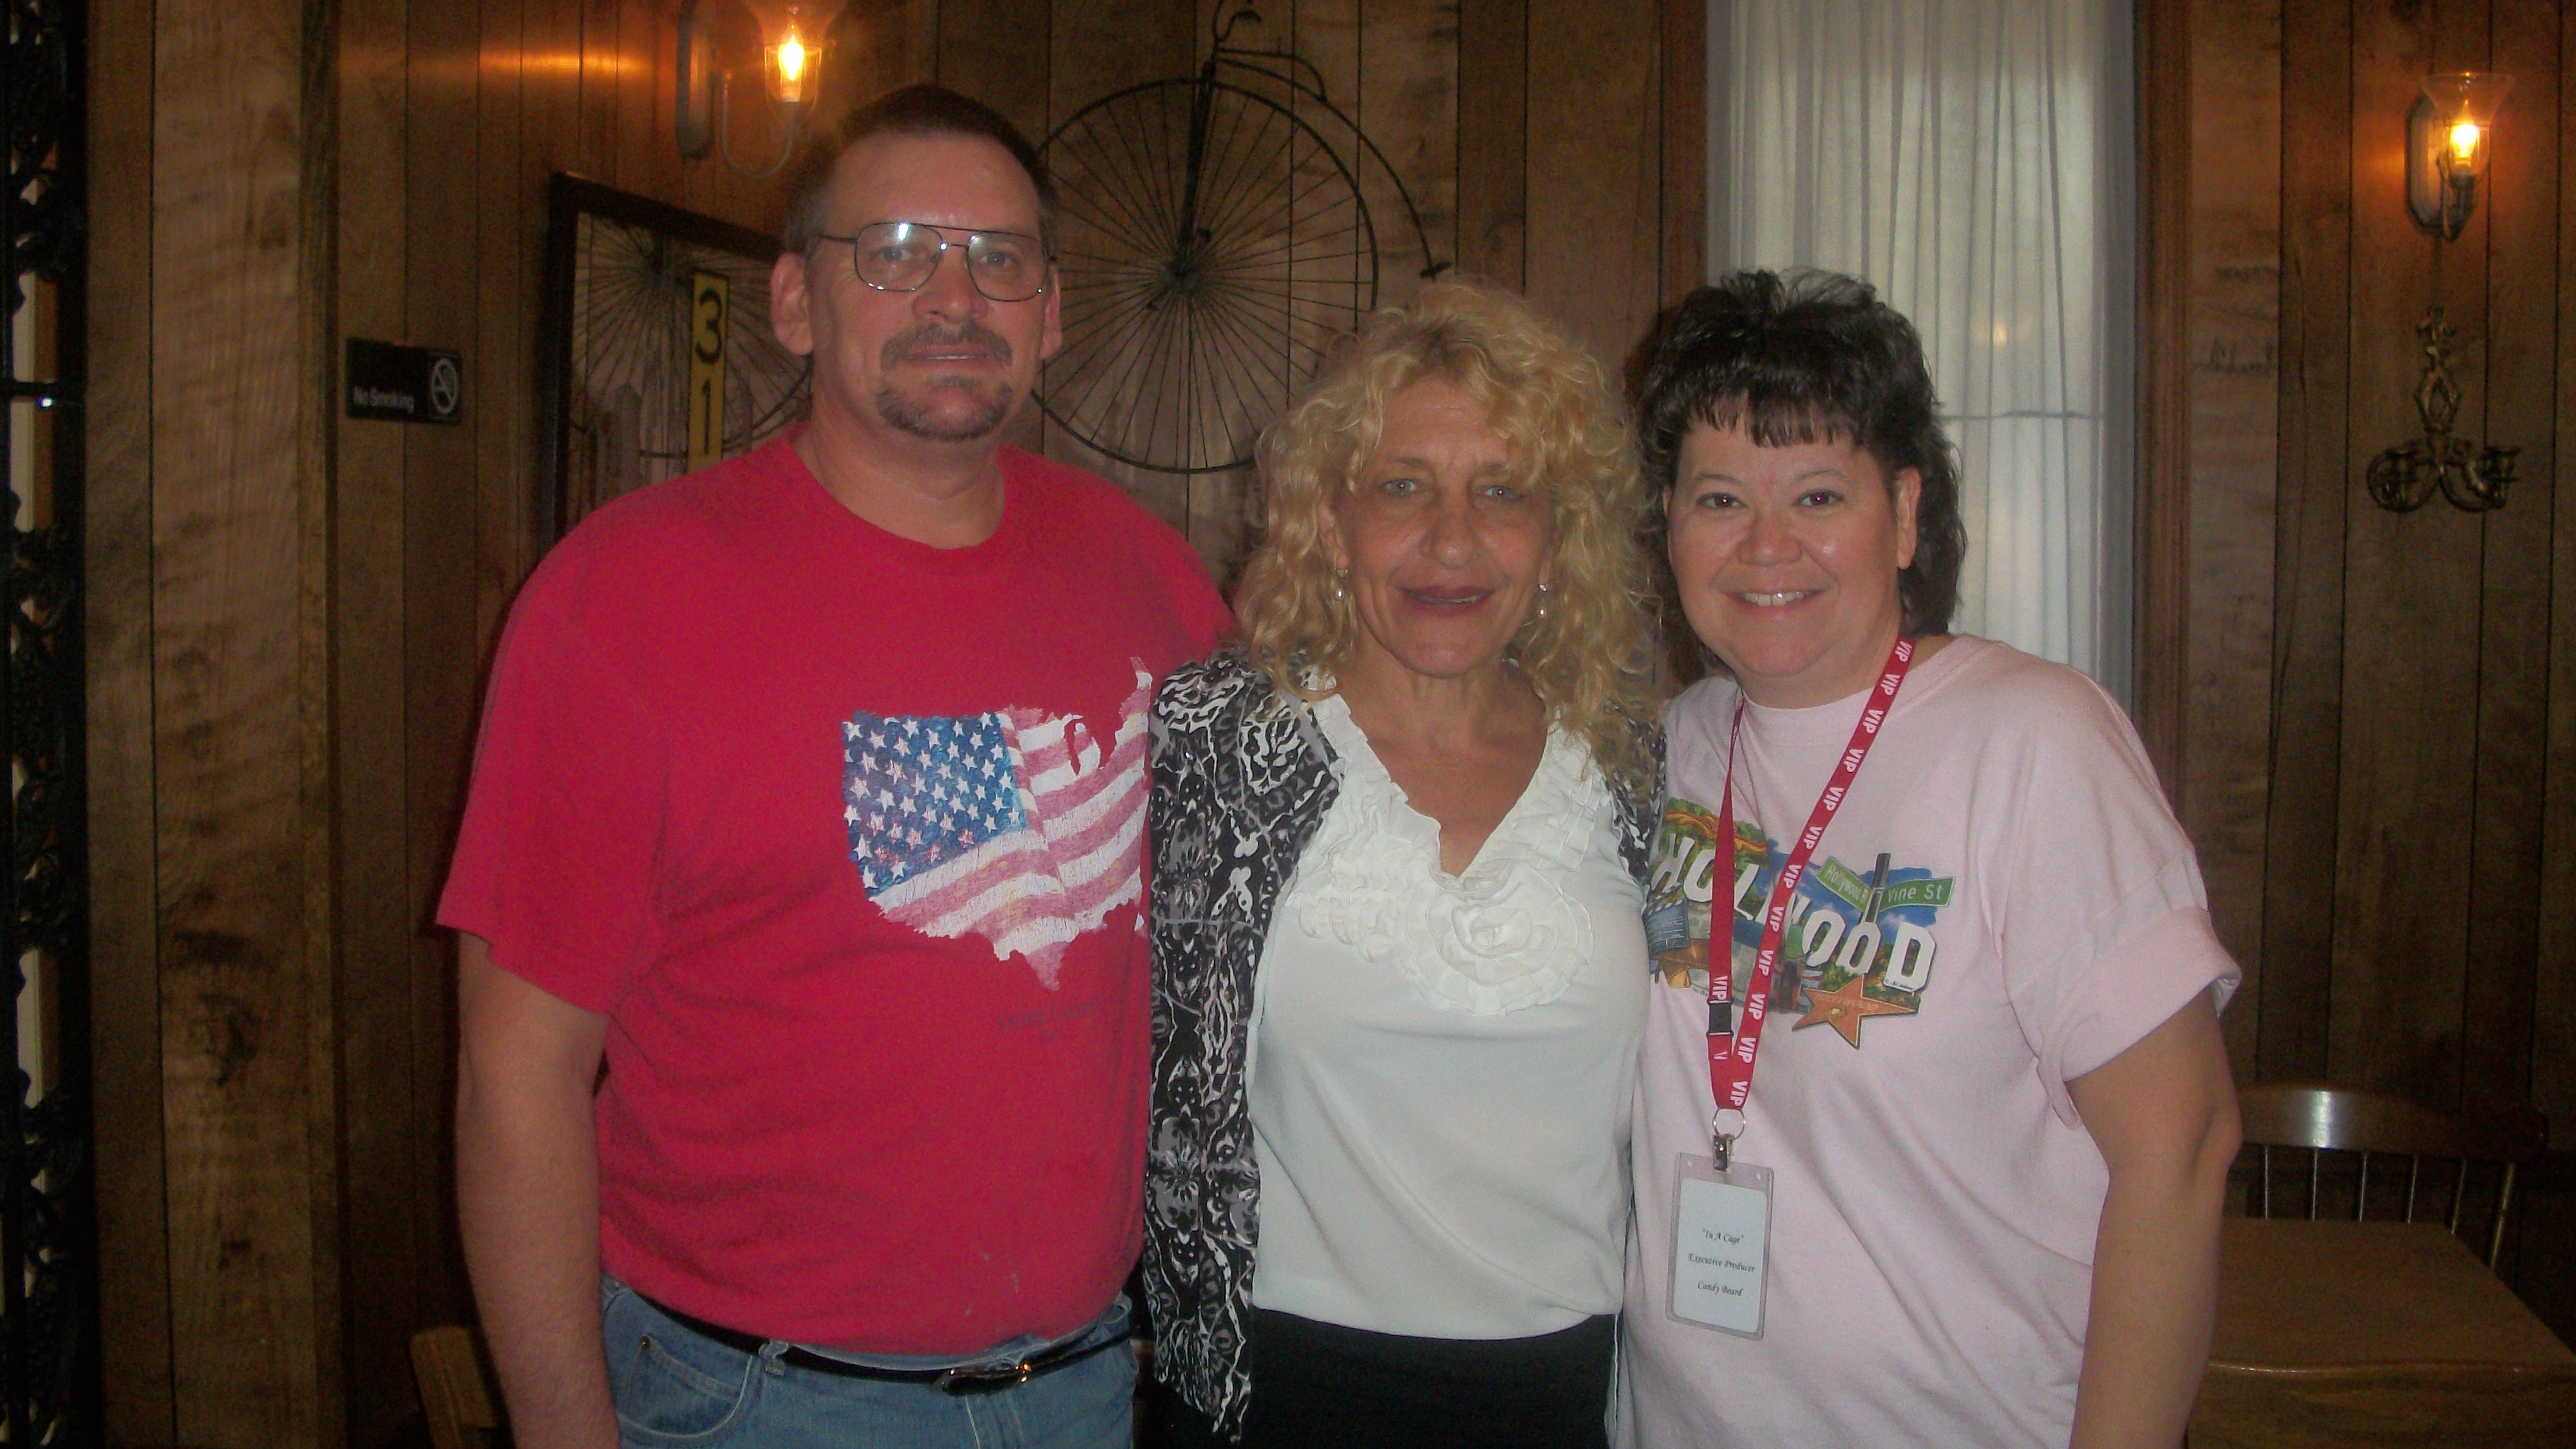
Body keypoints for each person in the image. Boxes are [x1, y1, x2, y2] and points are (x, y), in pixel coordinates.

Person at [444, 84, 1230, 1449]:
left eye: (998, 260)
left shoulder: (1152, 579)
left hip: (1089, 1383)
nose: (953, 295)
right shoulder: (621, 600)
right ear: (797, 302)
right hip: (752, 1399)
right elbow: (515, 1076)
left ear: (1048, 314)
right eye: (897, 250)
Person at [1618, 269, 2242, 1449]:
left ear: (1903, 515)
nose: (1767, 546)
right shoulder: (1669, 752)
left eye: (1816, 492)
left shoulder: (2034, 738)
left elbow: (2184, 1144)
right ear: (1669, 526)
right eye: (1717, 499)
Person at [1142, 281, 1663, 1449]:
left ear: (1554, 531)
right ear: (1333, 523)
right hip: (1274, 1392)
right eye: (1402, 487)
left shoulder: (1631, 767)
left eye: (1501, 492)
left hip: (1564, 1392)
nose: (1452, 541)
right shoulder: (1220, 740)